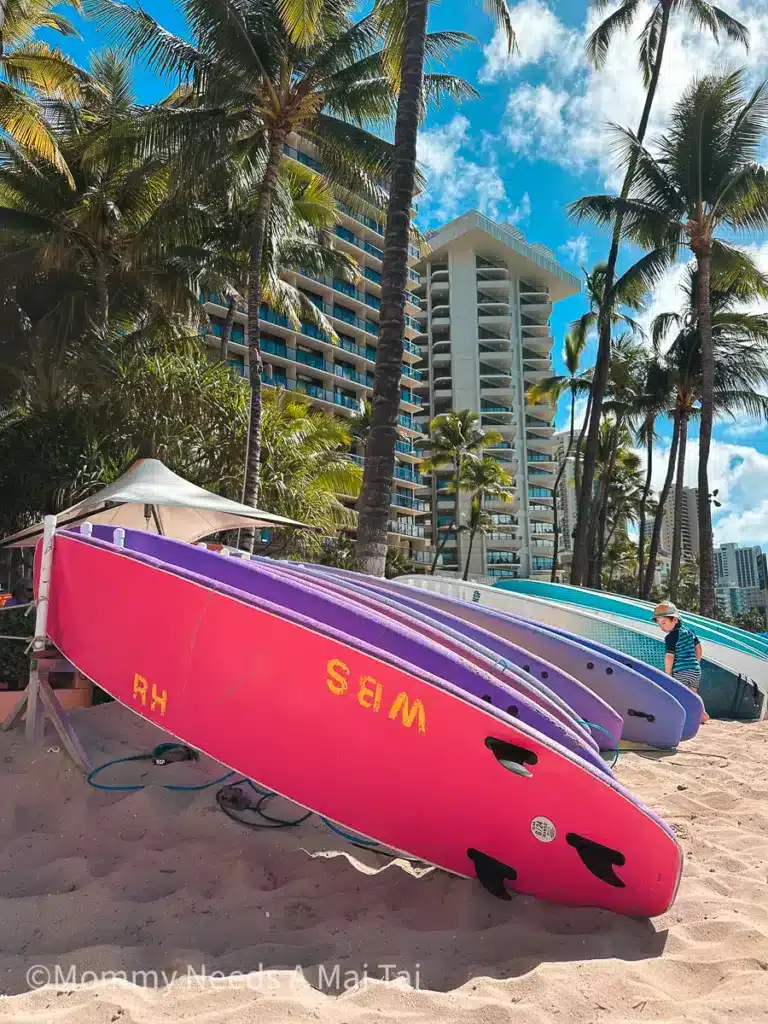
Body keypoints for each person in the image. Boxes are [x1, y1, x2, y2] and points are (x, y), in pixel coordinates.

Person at [652, 600, 709, 724]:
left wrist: (668, 674)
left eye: (664, 622)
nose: (662, 627)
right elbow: (698, 648)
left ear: (675, 620)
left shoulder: (671, 637)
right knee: (693, 694)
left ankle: (681, 717)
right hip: (695, 670)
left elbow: (669, 657)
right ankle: (701, 713)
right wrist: (696, 663)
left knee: (678, 694)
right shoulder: (690, 632)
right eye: (659, 623)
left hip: (681, 671)